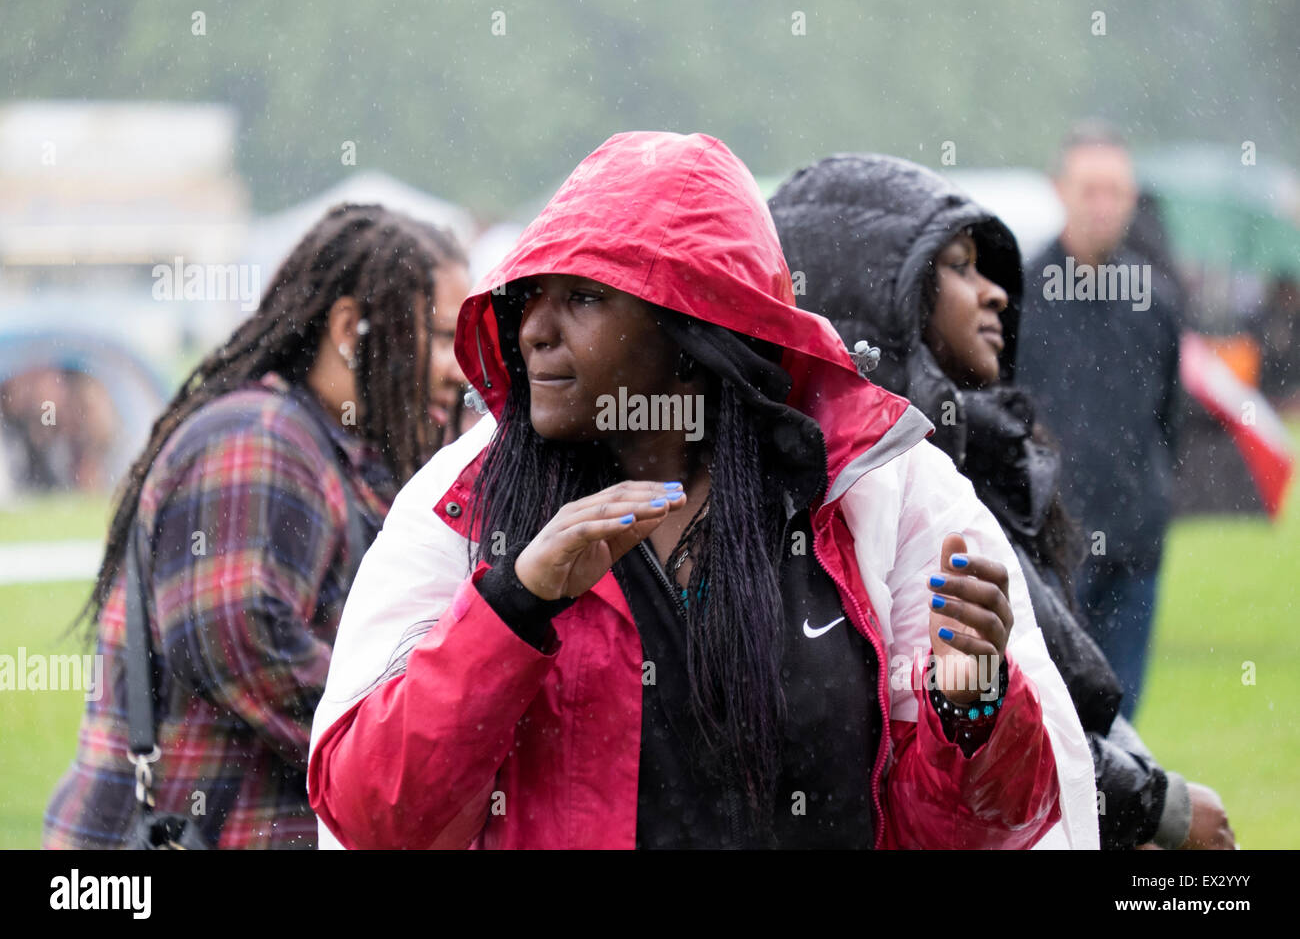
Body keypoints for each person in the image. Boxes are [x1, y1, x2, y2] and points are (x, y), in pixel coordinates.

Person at [307, 131, 1097, 850]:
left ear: (693, 323)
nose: (533, 330)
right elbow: (374, 817)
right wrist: (514, 604)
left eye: (582, 297)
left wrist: (971, 708)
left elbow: (976, 834)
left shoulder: (879, 487)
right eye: (528, 298)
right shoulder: (463, 500)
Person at [769, 151, 1234, 849]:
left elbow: (1070, 706)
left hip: (1135, 537)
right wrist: (1154, 805)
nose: (995, 294)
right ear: (874, 292)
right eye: (957, 267)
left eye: (986, 268)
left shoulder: (985, 451)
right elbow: (939, 750)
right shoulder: (882, 487)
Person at [43, 204, 470, 849]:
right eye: (440, 337)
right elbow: (240, 639)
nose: (459, 369)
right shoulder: (259, 438)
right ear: (351, 329)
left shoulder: (330, 450)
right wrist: (409, 734)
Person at [1015, 122, 1183, 720]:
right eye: (1090, 189)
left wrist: (1155, 508)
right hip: (1053, 553)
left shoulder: (1157, 302)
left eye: (1115, 190)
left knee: (1123, 729)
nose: (1104, 204)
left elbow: (1167, 422)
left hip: (1135, 547)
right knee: (1055, 725)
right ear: (1059, 190)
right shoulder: (1021, 296)